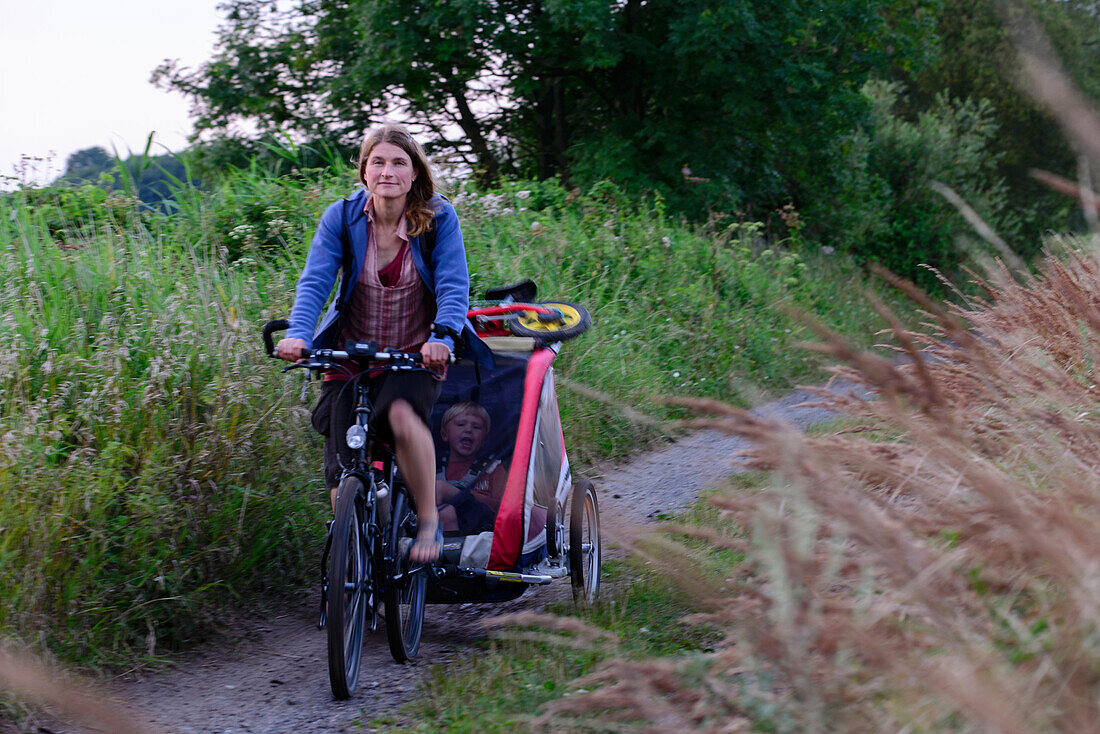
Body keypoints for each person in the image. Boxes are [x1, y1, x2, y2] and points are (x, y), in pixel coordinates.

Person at [275, 123, 485, 564]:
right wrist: (298, 332)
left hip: (414, 354)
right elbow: (315, 280)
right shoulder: (342, 216)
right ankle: (353, 557)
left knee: (403, 416)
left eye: (398, 163)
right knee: (342, 453)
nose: (387, 171)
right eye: (377, 162)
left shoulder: (438, 218)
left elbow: (452, 284)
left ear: (414, 175)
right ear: (364, 172)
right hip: (352, 352)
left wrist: (443, 336)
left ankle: (427, 520)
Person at [434, 402, 509, 533]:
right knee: (445, 512)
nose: (468, 429)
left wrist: (461, 494)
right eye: (461, 424)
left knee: (439, 488)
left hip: (479, 528)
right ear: (445, 434)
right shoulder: (432, 467)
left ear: (484, 440)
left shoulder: (493, 469)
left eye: (476, 427)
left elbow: (504, 509)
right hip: (437, 522)